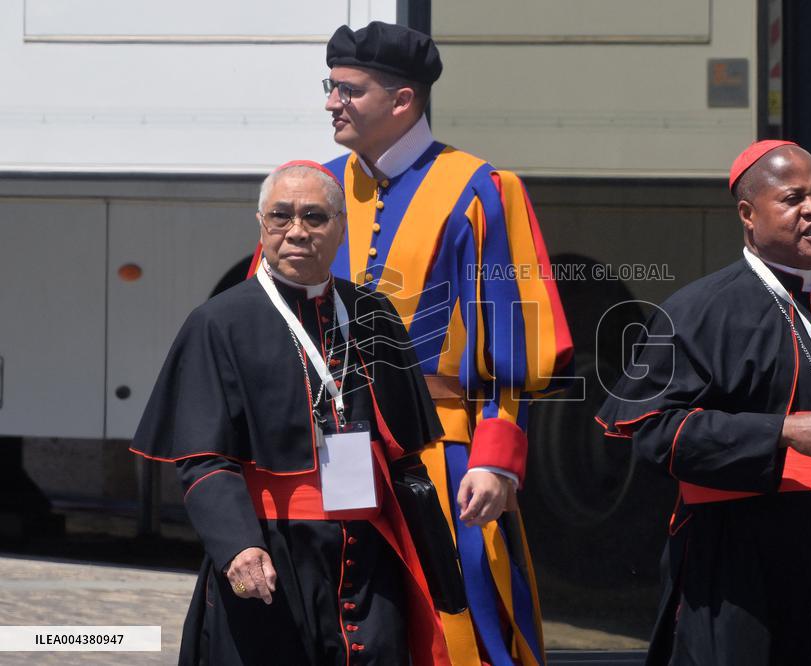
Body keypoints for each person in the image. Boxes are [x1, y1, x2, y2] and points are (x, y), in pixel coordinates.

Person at [597, 141, 811, 665]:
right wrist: (780, 432)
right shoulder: (698, 310)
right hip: (744, 579)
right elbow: (653, 432)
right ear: (748, 216)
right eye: (793, 198)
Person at [321, 20, 573, 666]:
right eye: (330, 87)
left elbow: (510, 340)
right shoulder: (314, 189)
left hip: (443, 453)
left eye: (347, 90)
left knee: (462, 620)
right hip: (330, 448)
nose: (331, 103)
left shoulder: (479, 191)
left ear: (402, 101)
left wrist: (496, 457)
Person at [130, 161, 451, 665]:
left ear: (340, 227)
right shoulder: (219, 321)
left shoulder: (375, 315)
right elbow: (202, 459)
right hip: (271, 550)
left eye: (315, 217)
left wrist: (432, 558)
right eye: (281, 216)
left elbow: (407, 455)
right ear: (261, 223)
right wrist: (237, 545)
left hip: (368, 557)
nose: (297, 231)